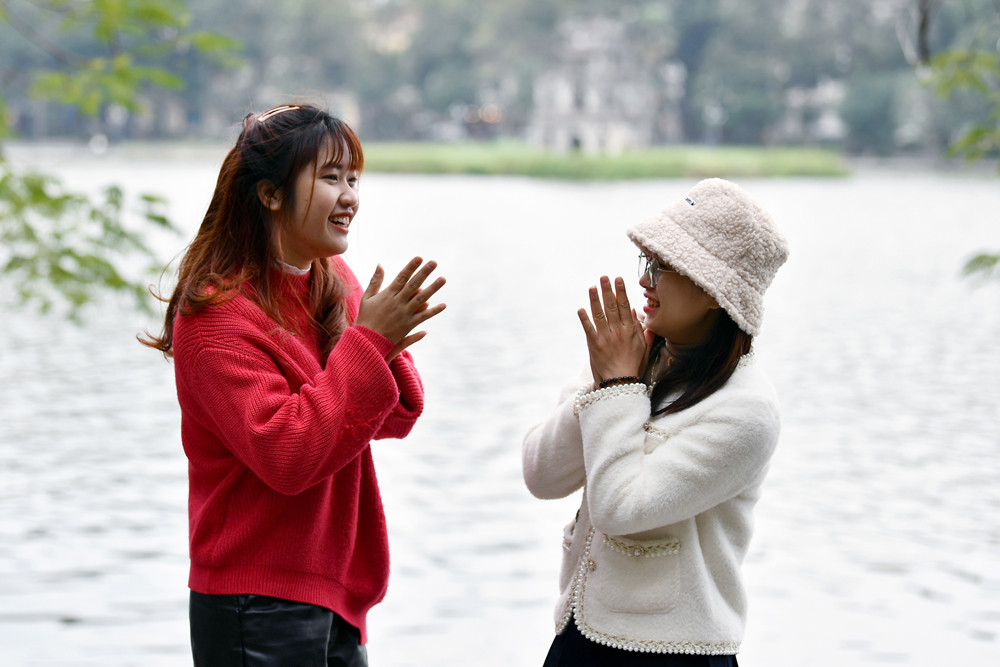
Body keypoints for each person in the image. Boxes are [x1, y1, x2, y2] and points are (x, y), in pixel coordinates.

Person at [141, 103, 445, 666]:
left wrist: (377, 335)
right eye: (330, 177)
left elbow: (400, 413)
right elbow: (289, 452)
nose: (350, 195)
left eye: (354, 178)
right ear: (270, 194)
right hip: (252, 602)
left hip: (333, 588)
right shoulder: (216, 316)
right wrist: (371, 341)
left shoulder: (331, 279)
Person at [522, 178, 789, 666]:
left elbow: (619, 509)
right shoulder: (634, 353)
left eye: (662, 267)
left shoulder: (748, 410)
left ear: (715, 293)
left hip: (674, 653)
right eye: (646, 263)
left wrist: (617, 388)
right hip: (579, 636)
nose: (645, 281)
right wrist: (606, 381)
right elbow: (541, 474)